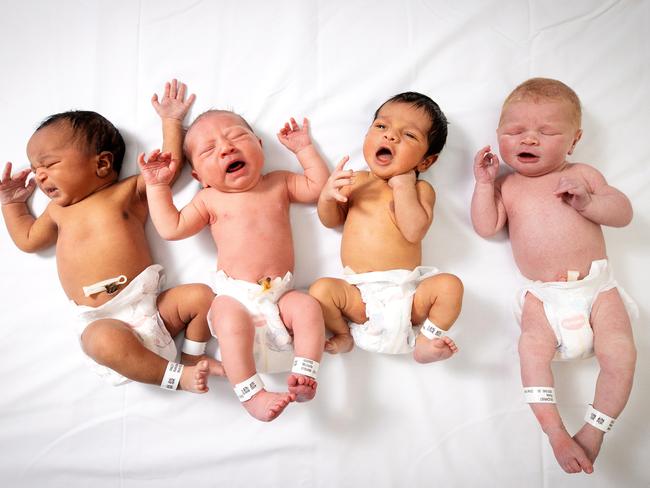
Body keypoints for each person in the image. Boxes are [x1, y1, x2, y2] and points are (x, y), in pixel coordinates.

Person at [0, 79, 223, 392]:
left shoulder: (126, 192)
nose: (39, 175)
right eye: (37, 169)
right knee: (98, 341)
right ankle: (173, 376)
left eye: (49, 164)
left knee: (201, 296)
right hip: (105, 319)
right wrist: (12, 205)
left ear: (102, 163)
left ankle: (191, 358)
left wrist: (172, 122)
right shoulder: (56, 212)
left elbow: (168, 170)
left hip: (153, 308)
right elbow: (27, 239)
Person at [470, 77, 637, 474]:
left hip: (597, 289)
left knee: (622, 353)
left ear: (573, 141)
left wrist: (589, 201)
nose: (529, 140)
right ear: (498, 136)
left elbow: (624, 213)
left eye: (546, 132)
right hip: (544, 298)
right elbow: (487, 226)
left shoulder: (583, 174)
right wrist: (483, 184)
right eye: (515, 131)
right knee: (530, 351)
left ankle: (596, 429)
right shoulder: (508, 186)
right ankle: (556, 433)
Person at [140, 110, 329, 421]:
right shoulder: (209, 199)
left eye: (236, 137)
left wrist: (303, 149)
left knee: (308, 307)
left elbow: (316, 187)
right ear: (199, 177)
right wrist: (157, 187)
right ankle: (252, 394)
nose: (226, 148)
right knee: (227, 318)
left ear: (259, 145)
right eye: (209, 150)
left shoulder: (278, 183)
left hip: (280, 294)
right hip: (235, 295)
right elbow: (171, 228)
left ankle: (305, 373)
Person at [309, 92, 464, 363]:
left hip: (408, 294)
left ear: (426, 161)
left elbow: (414, 231)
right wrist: (326, 196)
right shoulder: (356, 181)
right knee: (320, 291)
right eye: (382, 126)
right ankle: (343, 334)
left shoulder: (421, 189)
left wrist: (403, 185)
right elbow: (331, 220)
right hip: (359, 296)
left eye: (409, 135)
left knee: (450, 286)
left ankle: (427, 338)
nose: (390, 136)